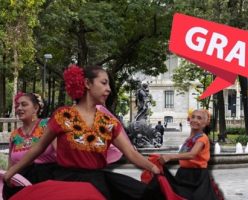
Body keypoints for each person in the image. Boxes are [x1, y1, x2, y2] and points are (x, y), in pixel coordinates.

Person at [3, 64, 162, 200]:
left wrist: (153, 168)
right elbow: (37, 149)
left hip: (95, 185)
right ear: (87, 83)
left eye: (109, 85)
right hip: (65, 185)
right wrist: (12, 172)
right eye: (104, 83)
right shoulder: (62, 116)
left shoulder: (109, 123)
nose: (108, 89)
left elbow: (131, 154)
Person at [158, 109, 223, 200]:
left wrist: (170, 156)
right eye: (193, 117)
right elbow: (183, 154)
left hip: (197, 176)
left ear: (205, 123)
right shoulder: (190, 138)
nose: (195, 120)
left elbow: (192, 154)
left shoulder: (202, 138)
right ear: (189, 119)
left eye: (199, 118)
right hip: (183, 174)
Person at [3, 92, 57, 199]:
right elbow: (11, 166)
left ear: (36, 108)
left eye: (24, 104)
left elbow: (60, 154)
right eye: (17, 105)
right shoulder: (14, 135)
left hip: (46, 182)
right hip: (19, 186)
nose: (19, 108)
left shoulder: (48, 125)